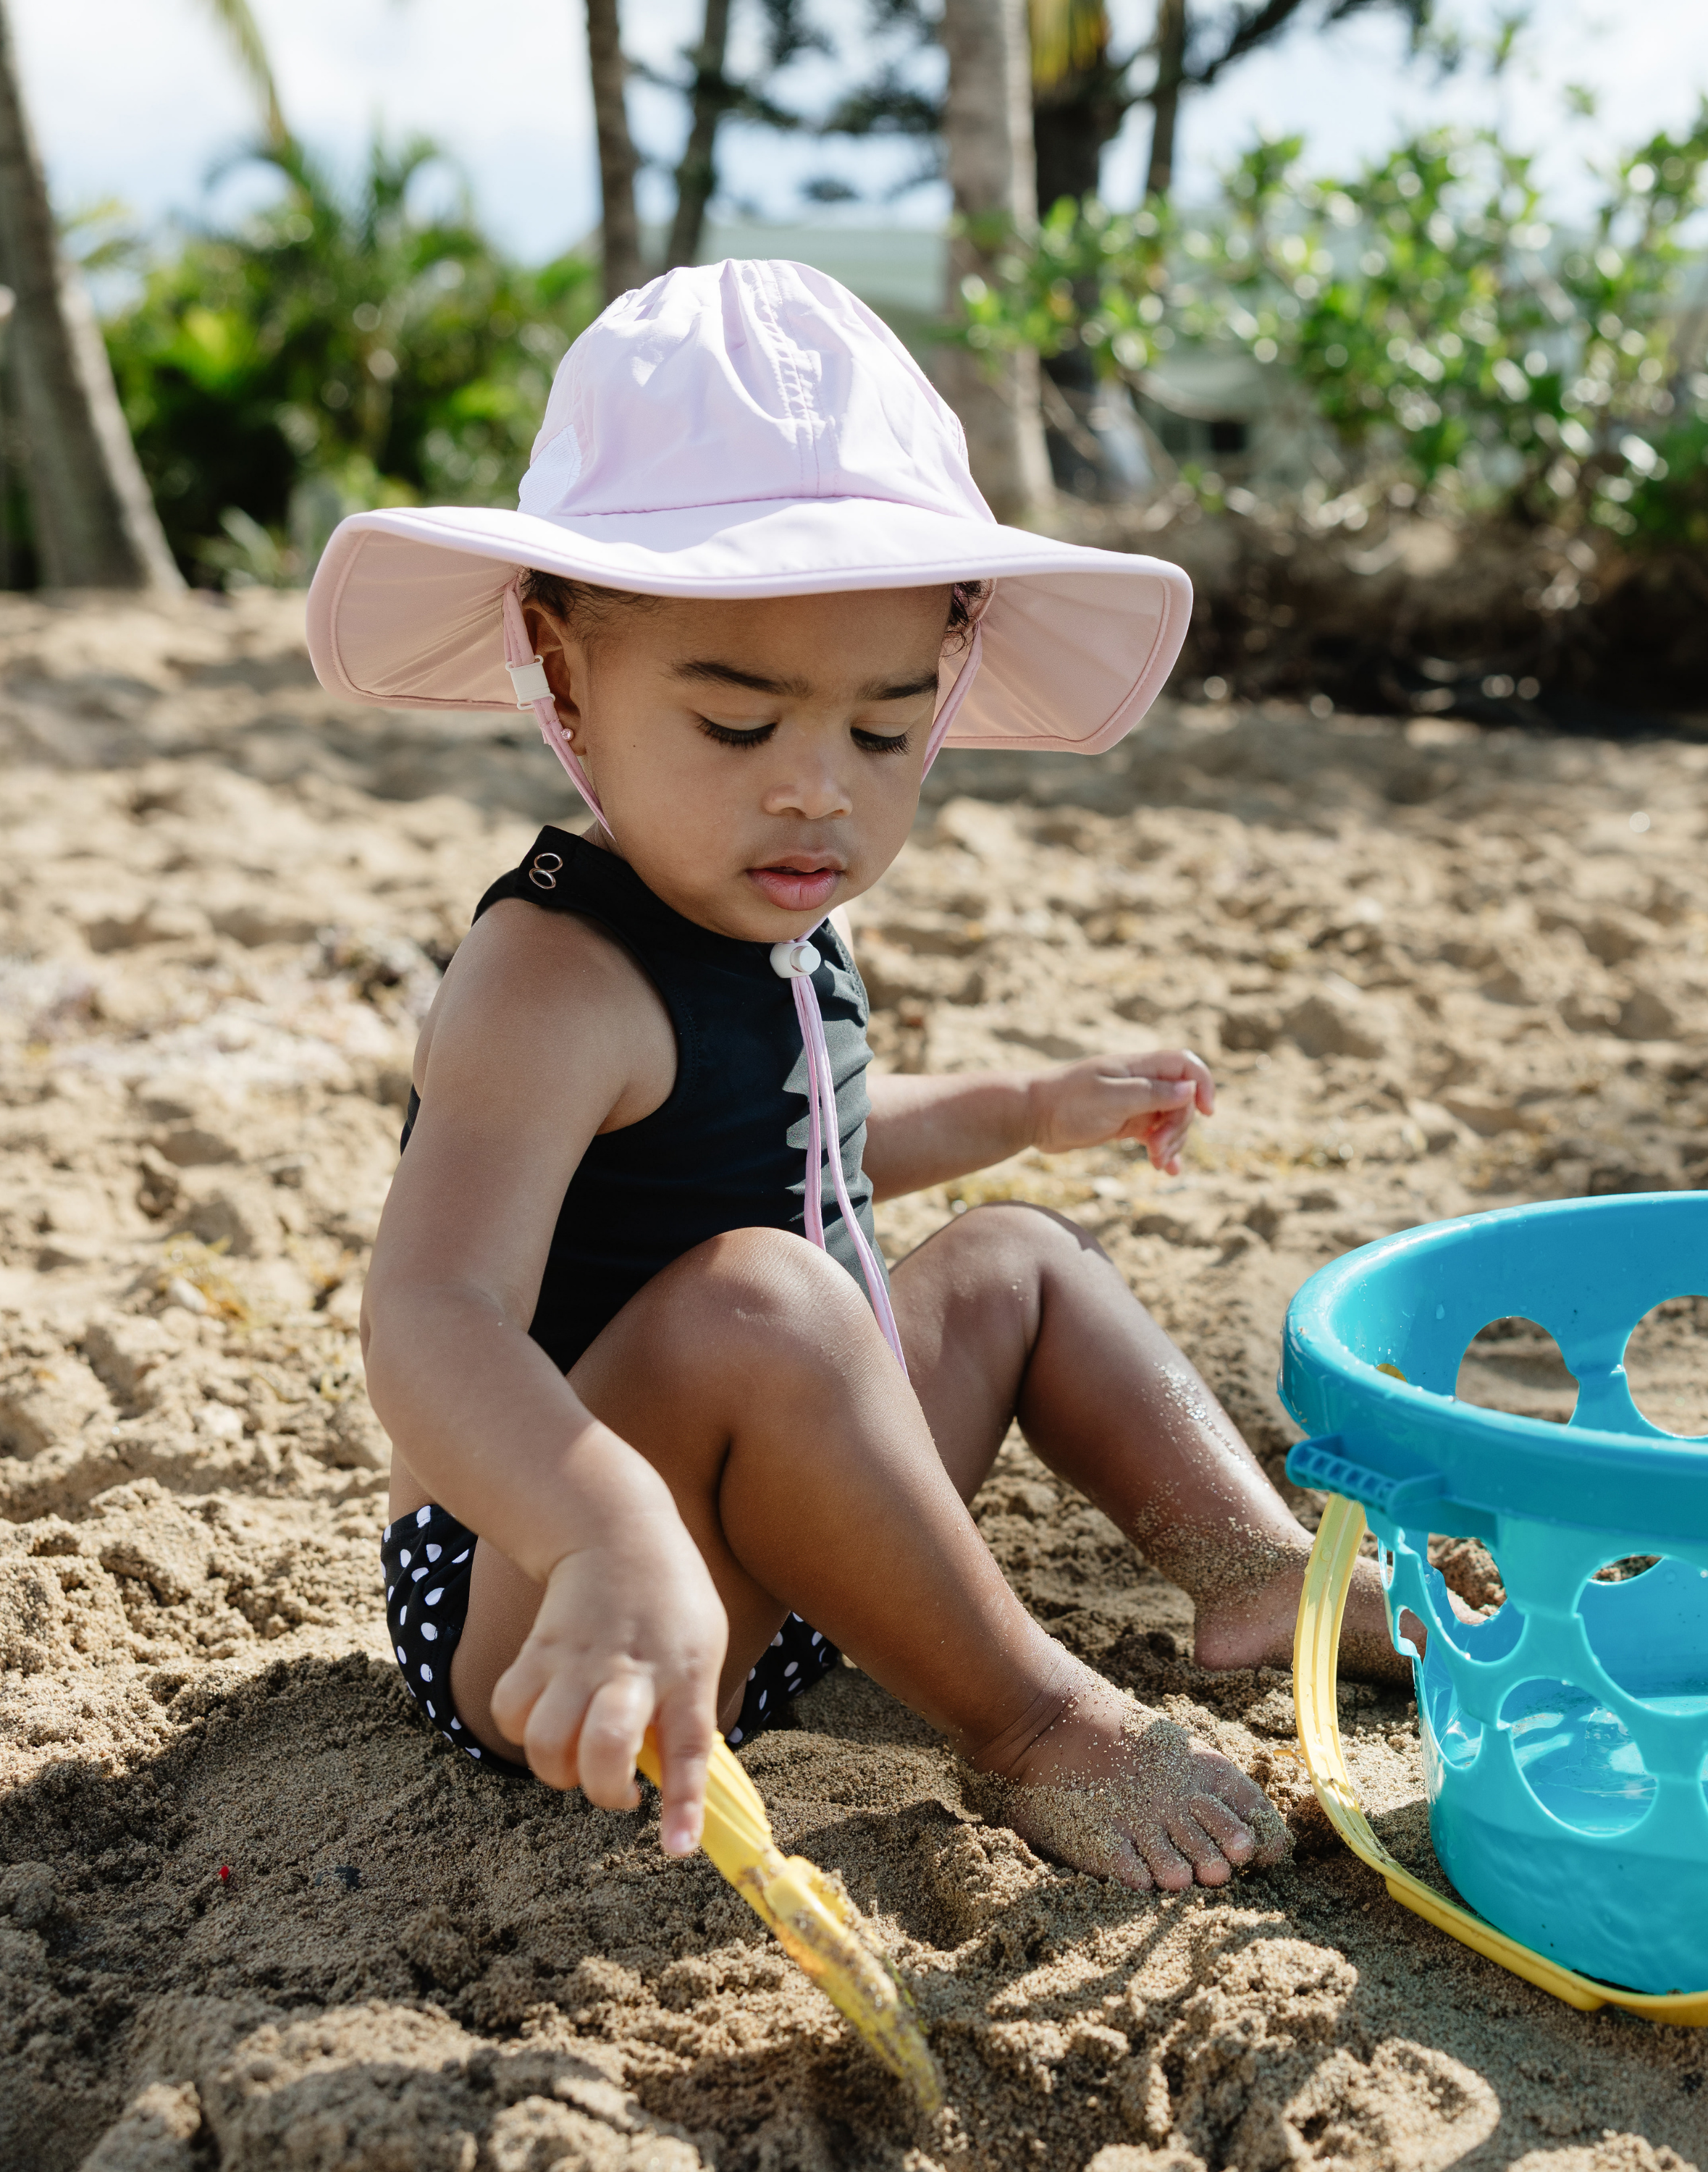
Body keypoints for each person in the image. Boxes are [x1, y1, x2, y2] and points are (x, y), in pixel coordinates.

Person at [308, 260, 1401, 1895]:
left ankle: (1258, 1569)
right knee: (765, 1299)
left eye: (887, 734)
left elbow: (806, 1145)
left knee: (1023, 1259)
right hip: (563, 1618)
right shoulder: (550, 977)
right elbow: (430, 1317)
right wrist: (599, 1530)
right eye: (737, 727)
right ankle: (1034, 1721)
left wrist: (1028, 1107)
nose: (816, 794)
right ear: (562, 669)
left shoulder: (777, 914)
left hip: (809, 1562)